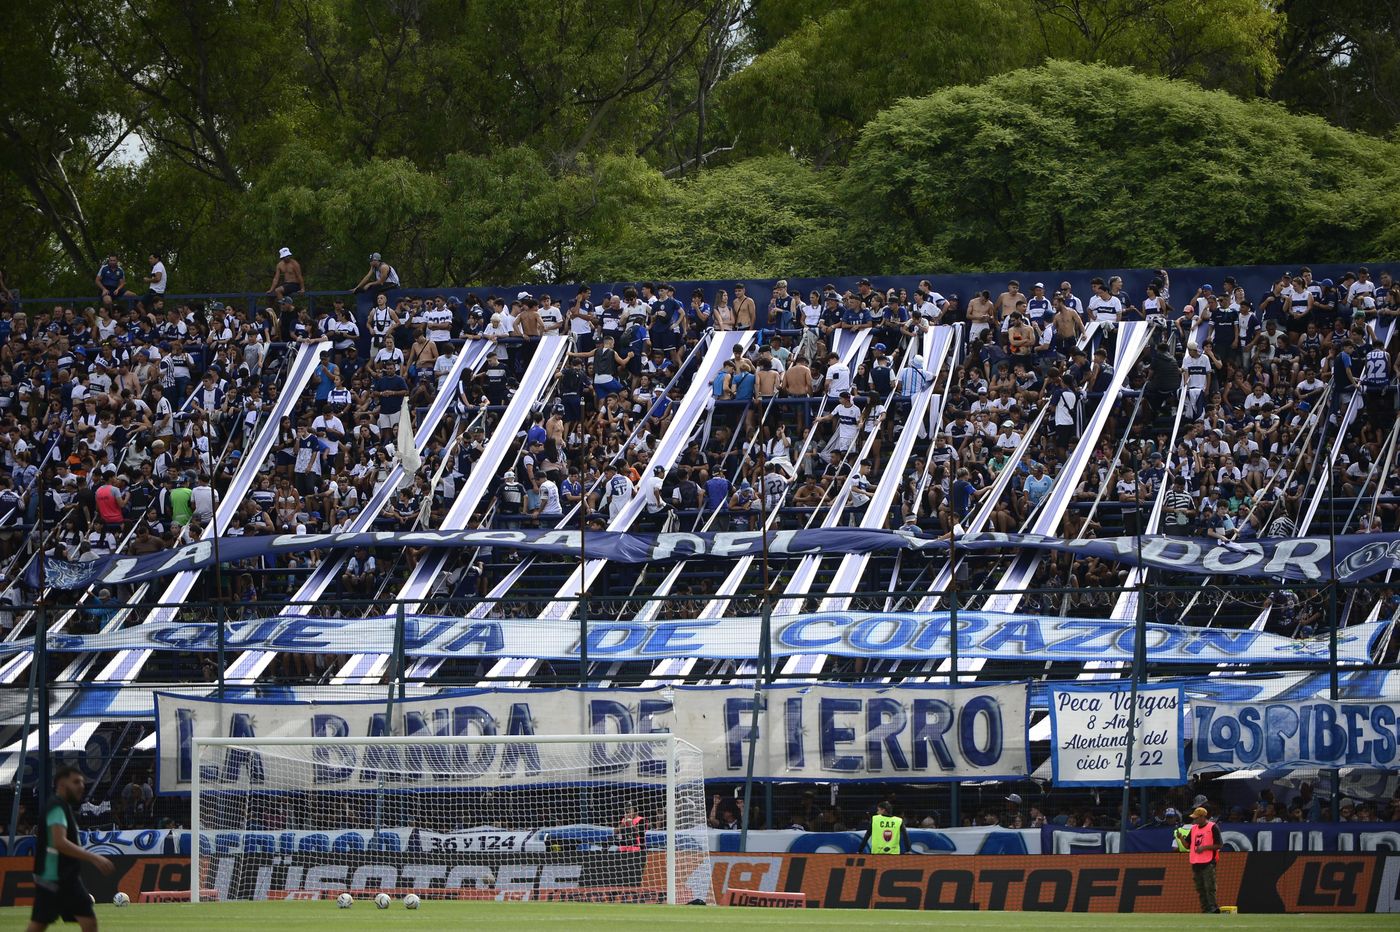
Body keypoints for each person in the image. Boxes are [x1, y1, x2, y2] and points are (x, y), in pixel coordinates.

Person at [28, 764, 115, 932]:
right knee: (88, 922)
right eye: (76, 782)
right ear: (61, 784)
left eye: (82, 782)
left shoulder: (61, 806)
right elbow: (59, 842)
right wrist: (94, 857)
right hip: (57, 877)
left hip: (57, 876)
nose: (81, 786)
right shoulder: (57, 806)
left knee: (40, 924)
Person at [1187, 805, 1222, 913]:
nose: (1194, 819)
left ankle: (1213, 907)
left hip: (1208, 862)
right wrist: (1179, 838)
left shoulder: (1213, 827)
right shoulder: (1193, 829)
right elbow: (1187, 845)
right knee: (1200, 887)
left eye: (1196, 818)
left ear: (1203, 817)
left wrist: (1204, 848)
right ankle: (1205, 908)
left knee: (1209, 886)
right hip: (1196, 862)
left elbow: (1219, 845)